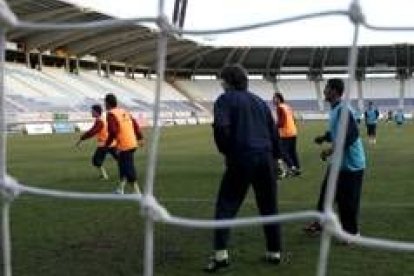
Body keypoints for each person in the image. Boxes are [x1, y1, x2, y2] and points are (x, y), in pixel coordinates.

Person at [204, 64, 282, 273]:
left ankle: (221, 256)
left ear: (227, 81)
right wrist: (276, 159)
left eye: (222, 80)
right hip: (265, 158)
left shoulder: (225, 99)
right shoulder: (259, 101)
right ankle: (274, 252)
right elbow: (273, 132)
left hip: (242, 157)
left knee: (226, 205)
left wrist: (227, 151)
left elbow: (221, 127)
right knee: (269, 206)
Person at [303, 78, 366, 241]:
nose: (324, 91)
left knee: (347, 202)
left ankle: (352, 233)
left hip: (351, 165)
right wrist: (324, 137)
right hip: (338, 164)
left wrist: (330, 150)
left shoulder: (343, 109)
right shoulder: (335, 109)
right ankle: (320, 223)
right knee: (326, 196)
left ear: (335, 91)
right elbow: (338, 131)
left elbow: (351, 134)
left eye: (327, 88)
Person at [104, 93, 144, 194]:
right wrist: (140, 137)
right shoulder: (124, 111)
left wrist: (107, 144)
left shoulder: (111, 114)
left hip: (124, 145)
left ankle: (137, 192)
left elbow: (113, 131)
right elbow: (135, 124)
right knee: (122, 166)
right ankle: (120, 189)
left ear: (107, 103)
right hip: (132, 142)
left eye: (105, 103)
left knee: (127, 167)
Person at [76, 104, 118, 180]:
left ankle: (104, 176)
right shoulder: (102, 119)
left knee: (96, 161)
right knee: (120, 159)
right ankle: (126, 173)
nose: (91, 113)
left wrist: (82, 138)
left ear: (96, 112)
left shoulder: (100, 121)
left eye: (92, 111)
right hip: (112, 143)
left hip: (104, 144)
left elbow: (93, 131)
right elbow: (93, 130)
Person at [272, 92, 301, 177]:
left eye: (274, 98)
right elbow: (293, 119)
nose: (273, 100)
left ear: (279, 99)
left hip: (286, 133)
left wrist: (274, 127)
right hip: (293, 131)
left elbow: (282, 122)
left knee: (283, 152)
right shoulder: (287, 106)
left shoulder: (280, 107)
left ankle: (292, 168)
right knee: (292, 151)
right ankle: (297, 168)